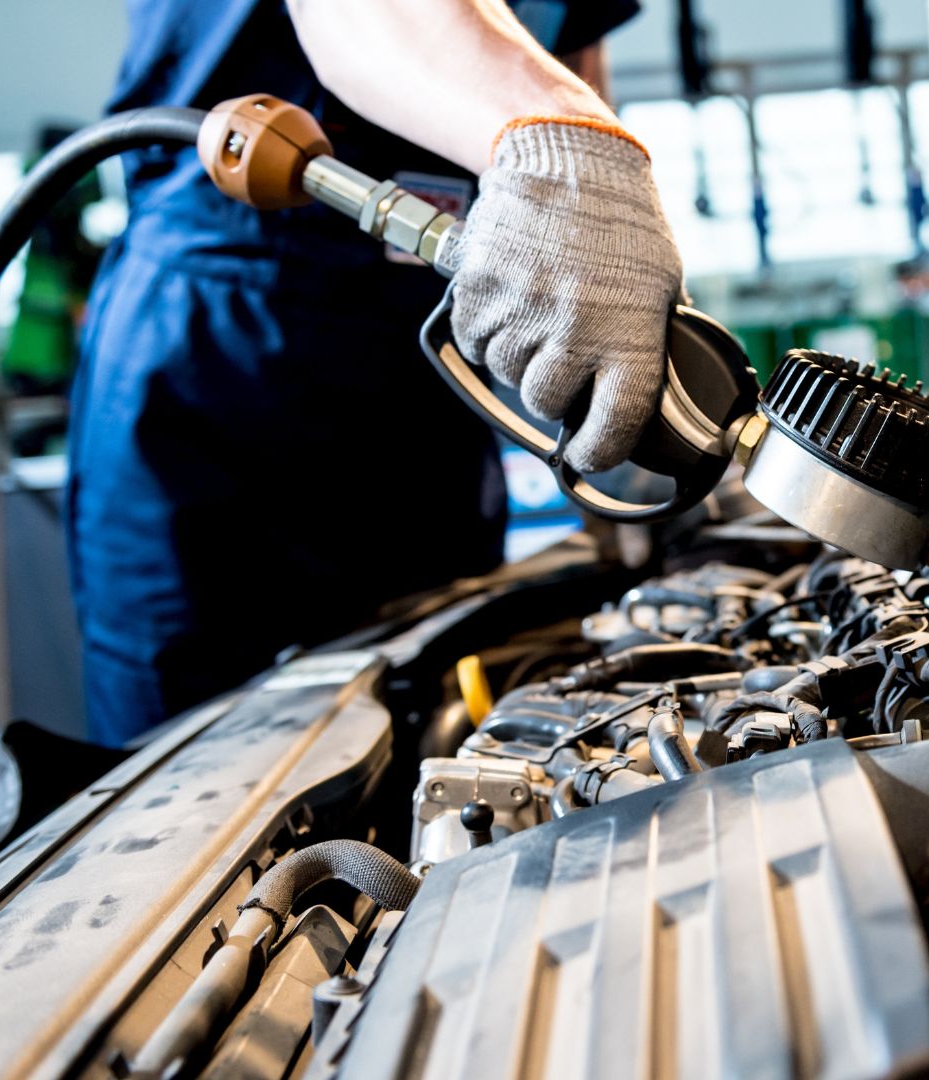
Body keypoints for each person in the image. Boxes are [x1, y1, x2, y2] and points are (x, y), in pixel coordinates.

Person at [74, 0, 684, 744]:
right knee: (193, 770)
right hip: (225, 338)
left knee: (438, 733)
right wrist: (562, 148)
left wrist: (603, 277)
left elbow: (570, 58)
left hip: (428, 345)